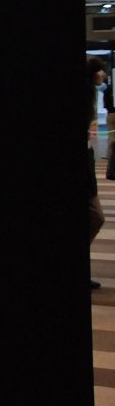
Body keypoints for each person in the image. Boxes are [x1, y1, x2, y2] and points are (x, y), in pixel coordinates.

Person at [88, 57, 107, 289]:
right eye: (100, 71)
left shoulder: (91, 95)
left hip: (87, 164)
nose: (102, 75)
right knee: (96, 216)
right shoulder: (86, 96)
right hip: (83, 167)